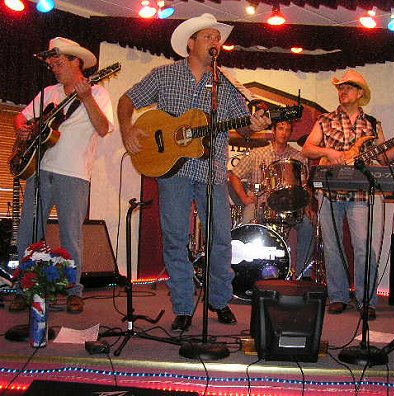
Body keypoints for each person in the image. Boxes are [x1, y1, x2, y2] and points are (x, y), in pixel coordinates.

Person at [118, 13, 271, 332]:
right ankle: (185, 306)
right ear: (190, 43)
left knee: (220, 240)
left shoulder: (226, 83)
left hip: (212, 170)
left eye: (218, 37)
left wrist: (253, 125)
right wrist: (127, 130)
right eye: (208, 36)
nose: (216, 41)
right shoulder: (164, 75)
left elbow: (241, 127)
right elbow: (127, 100)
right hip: (171, 170)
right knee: (175, 238)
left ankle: (219, 300)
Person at [302, 69, 394, 319]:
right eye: (340, 87)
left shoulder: (371, 123)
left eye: (348, 87)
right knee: (333, 247)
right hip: (329, 190)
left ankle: (366, 299)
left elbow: (383, 157)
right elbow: (307, 148)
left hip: (363, 194)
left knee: (365, 248)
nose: (342, 91)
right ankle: (337, 296)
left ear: (360, 93)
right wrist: (330, 152)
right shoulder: (325, 120)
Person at [10, 37, 114, 313]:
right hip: (40, 170)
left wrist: (86, 98)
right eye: (51, 64)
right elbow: (22, 117)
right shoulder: (48, 92)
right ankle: (26, 287)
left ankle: (73, 291)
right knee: (28, 233)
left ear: (75, 61)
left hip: (75, 173)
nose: (54, 68)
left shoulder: (99, 94)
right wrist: (23, 129)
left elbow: (103, 128)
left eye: (58, 63)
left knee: (71, 235)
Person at [229, 120, 314, 278]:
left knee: (308, 226)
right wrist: (245, 198)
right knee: (247, 223)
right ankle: (246, 273)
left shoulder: (298, 157)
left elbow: (304, 186)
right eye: (280, 128)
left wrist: (307, 206)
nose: (284, 132)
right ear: (273, 131)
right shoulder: (257, 154)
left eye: (288, 129)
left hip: (290, 205)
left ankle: (303, 275)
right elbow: (234, 175)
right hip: (260, 203)